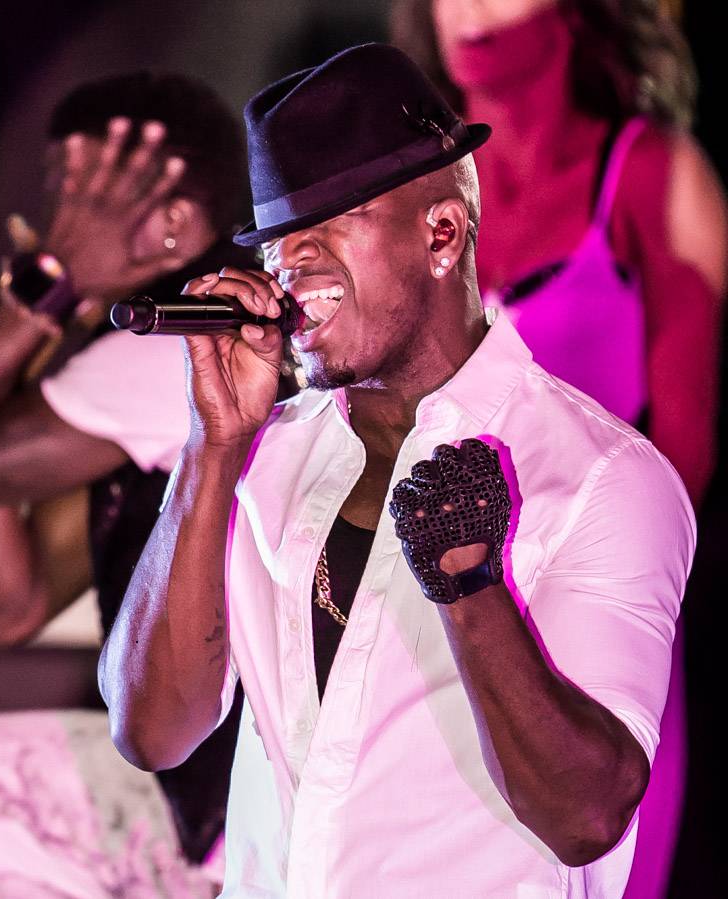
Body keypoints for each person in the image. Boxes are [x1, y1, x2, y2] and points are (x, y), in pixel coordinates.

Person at [99, 43, 695, 897]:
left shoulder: (602, 477)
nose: (290, 262)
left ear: (442, 233)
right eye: (277, 241)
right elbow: (152, 731)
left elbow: (587, 817)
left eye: (328, 222)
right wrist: (212, 445)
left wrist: (471, 585)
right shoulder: (261, 453)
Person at [390, 3, 727, 895]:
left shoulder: (650, 172)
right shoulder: (398, 188)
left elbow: (684, 456)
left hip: (587, 618)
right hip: (414, 613)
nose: (470, 8)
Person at [0, 72, 254, 866]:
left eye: (79, 198)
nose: (54, 227)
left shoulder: (177, 344)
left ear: (170, 224)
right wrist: (12, 366)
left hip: (237, 808)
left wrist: (29, 302)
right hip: (210, 791)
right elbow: (5, 614)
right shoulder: (155, 355)